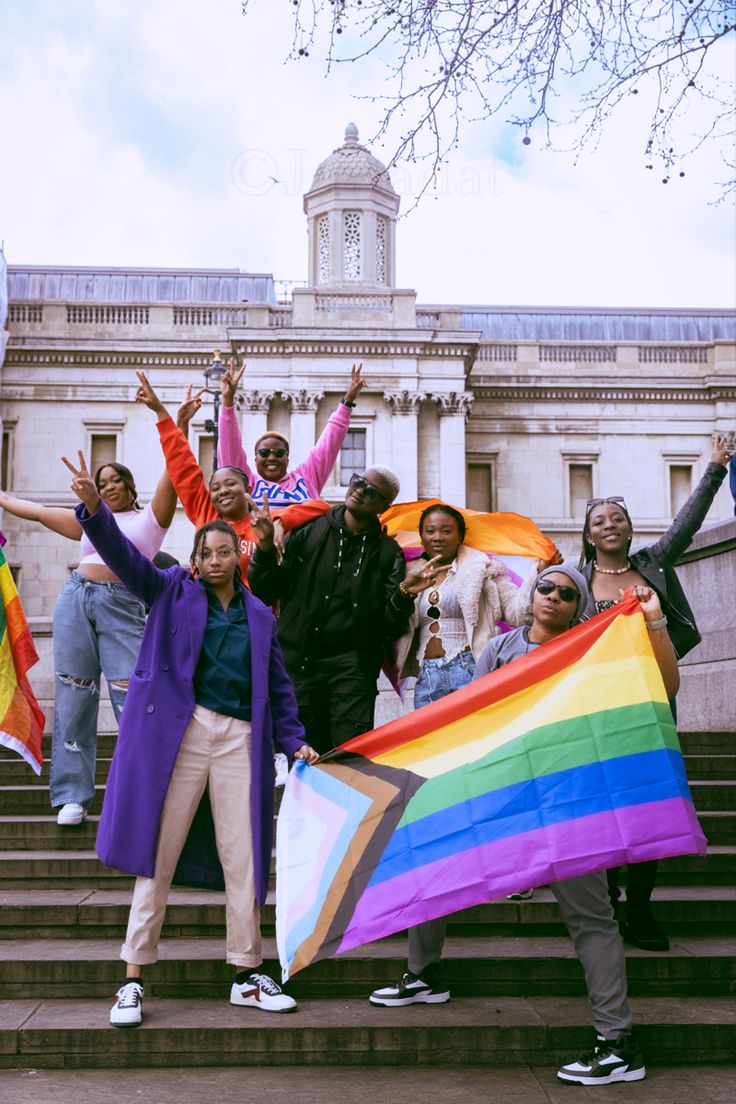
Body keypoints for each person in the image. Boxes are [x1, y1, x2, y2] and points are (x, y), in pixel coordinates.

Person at [371, 564, 679, 1086]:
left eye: (566, 592)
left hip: (569, 804)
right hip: (507, 794)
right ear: (532, 593)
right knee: (433, 851)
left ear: (576, 605)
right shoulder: (499, 649)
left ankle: (618, 1041)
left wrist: (654, 623)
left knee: (592, 918)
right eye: (546, 587)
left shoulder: (593, 648)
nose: (553, 596)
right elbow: (473, 715)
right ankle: (425, 973)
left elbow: (664, 684)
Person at [63, 450, 319, 1028]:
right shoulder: (170, 591)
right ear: (197, 560)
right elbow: (126, 558)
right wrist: (95, 508)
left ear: (239, 557)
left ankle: (246, 972)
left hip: (242, 740)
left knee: (245, 857)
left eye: (227, 550)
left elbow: (278, 686)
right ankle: (132, 976)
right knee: (159, 852)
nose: (217, 559)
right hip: (182, 734)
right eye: (207, 552)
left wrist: (294, 739)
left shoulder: (258, 615)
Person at [577, 431, 733, 951]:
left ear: (628, 526)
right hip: (595, 710)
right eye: (599, 520)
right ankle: (609, 898)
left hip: (652, 701)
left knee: (651, 805)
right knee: (603, 807)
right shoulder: (575, 581)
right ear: (589, 534)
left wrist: (714, 467)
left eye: (616, 517)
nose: (610, 524)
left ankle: (640, 908)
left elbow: (687, 523)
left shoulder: (655, 563)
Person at [0, 460, 176, 826]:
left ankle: (140, 792)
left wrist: (170, 420)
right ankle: (72, 797)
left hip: (123, 605)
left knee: (133, 696)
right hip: (75, 599)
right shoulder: (86, 524)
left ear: (130, 486)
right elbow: (38, 512)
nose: (109, 487)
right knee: (73, 693)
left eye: (116, 481)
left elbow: (174, 472)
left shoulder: (150, 521)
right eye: (102, 482)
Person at [248, 468, 415, 754]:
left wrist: (403, 595)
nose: (360, 490)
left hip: (352, 673)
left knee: (348, 761)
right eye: (358, 481)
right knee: (302, 759)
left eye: (371, 491)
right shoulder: (308, 531)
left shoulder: (389, 553)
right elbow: (265, 589)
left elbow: (390, 624)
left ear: (383, 507)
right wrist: (264, 548)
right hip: (298, 666)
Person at [134, 371, 329, 579]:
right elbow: (183, 467)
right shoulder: (207, 515)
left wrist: (281, 521)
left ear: (248, 490)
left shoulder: (264, 523)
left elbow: (322, 506)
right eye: (215, 488)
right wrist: (162, 414)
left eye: (230, 484)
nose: (222, 491)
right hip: (206, 608)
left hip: (253, 609)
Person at [217, 359, 365, 505]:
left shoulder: (306, 479)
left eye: (279, 453)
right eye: (264, 453)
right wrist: (228, 402)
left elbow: (328, 446)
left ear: (287, 459)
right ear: (255, 459)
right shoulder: (246, 483)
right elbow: (229, 448)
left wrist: (348, 401)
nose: (272, 457)